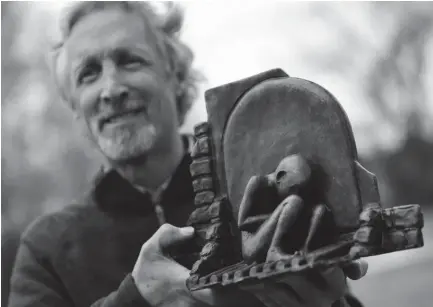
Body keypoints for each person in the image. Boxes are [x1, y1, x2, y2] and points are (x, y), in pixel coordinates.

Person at [8, 2, 367, 307]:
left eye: (130, 61)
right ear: (75, 107)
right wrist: (136, 300)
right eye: (88, 74)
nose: (111, 88)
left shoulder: (265, 191)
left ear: (176, 77)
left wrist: (332, 302)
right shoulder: (46, 251)